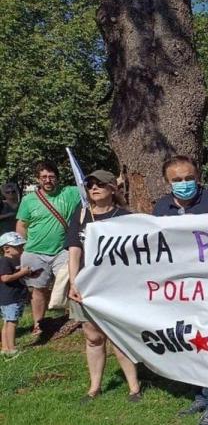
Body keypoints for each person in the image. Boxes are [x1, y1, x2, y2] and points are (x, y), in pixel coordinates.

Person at [153, 155, 208, 425]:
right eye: (177, 180)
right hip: (180, 288)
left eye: (189, 178)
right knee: (190, 341)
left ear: (197, 177)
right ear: (167, 182)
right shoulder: (161, 207)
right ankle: (202, 394)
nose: (184, 184)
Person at [66, 170, 141, 403]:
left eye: (99, 184)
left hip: (116, 287)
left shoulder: (125, 217)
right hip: (87, 286)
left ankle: (134, 387)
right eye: (90, 185)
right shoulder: (80, 215)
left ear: (112, 188)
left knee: (119, 337)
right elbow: (74, 252)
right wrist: (73, 281)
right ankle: (94, 388)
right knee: (93, 337)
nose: (94, 188)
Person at [15, 162, 80, 336]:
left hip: (62, 250)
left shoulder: (70, 193)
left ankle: (74, 318)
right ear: (38, 179)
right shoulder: (29, 200)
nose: (48, 180)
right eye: (43, 177)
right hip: (34, 251)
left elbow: (91, 186)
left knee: (73, 281)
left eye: (51, 176)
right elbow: (21, 225)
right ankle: (38, 323)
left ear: (57, 178)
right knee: (38, 289)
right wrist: (21, 250)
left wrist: (118, 179)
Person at [0, 232, 36, 355]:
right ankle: (12, 349)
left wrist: (25, 273)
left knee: (7, 321)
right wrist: (22, 273)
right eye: (18, 246)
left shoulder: (13, 261)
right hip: (10, 298)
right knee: (12, 323)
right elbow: (5, 278)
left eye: (22, 246)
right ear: (6, 249)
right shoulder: (5, 261)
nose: (21, 248)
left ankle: (5, 348)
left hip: (11, 297)